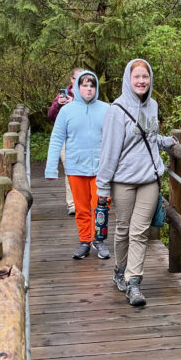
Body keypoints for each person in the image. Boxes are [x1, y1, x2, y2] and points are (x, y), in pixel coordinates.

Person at [96, 58, 176, 307]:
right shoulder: (116, 110)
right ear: (128, 80)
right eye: (137, 77)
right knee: (123, 230)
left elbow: (148, 135)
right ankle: (119, 270)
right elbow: (109, 151)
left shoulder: (153, 105)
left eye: (145, 76)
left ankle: (133, 283)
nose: (141, 81)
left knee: (140, 231)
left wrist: (165, 141)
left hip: (149, 179)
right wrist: (102, 187)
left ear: (150, 79)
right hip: (123, 181)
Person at [45, 69, 110, 260]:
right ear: (77, 87)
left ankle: (99, 240)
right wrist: (51, 167)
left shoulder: (106, 109)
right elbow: (57, 138)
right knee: (81, 208)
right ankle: (84, 242)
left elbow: (116, 137)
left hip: (100, 168)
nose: (88, 89)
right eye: (85, 85)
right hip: (76, 167)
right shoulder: (66, 111)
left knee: (101, 207)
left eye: (92, 85)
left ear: (96, 88)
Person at [47, 67, 83, 216]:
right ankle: (72, 204)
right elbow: (51, 116)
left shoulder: (89, 93)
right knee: (70, 169)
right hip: (65, 138)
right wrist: (59, 104)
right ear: (71, 79)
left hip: (84, 139)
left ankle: (83, 201)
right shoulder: (64, 95)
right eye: (78, 78)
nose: (81, 81)